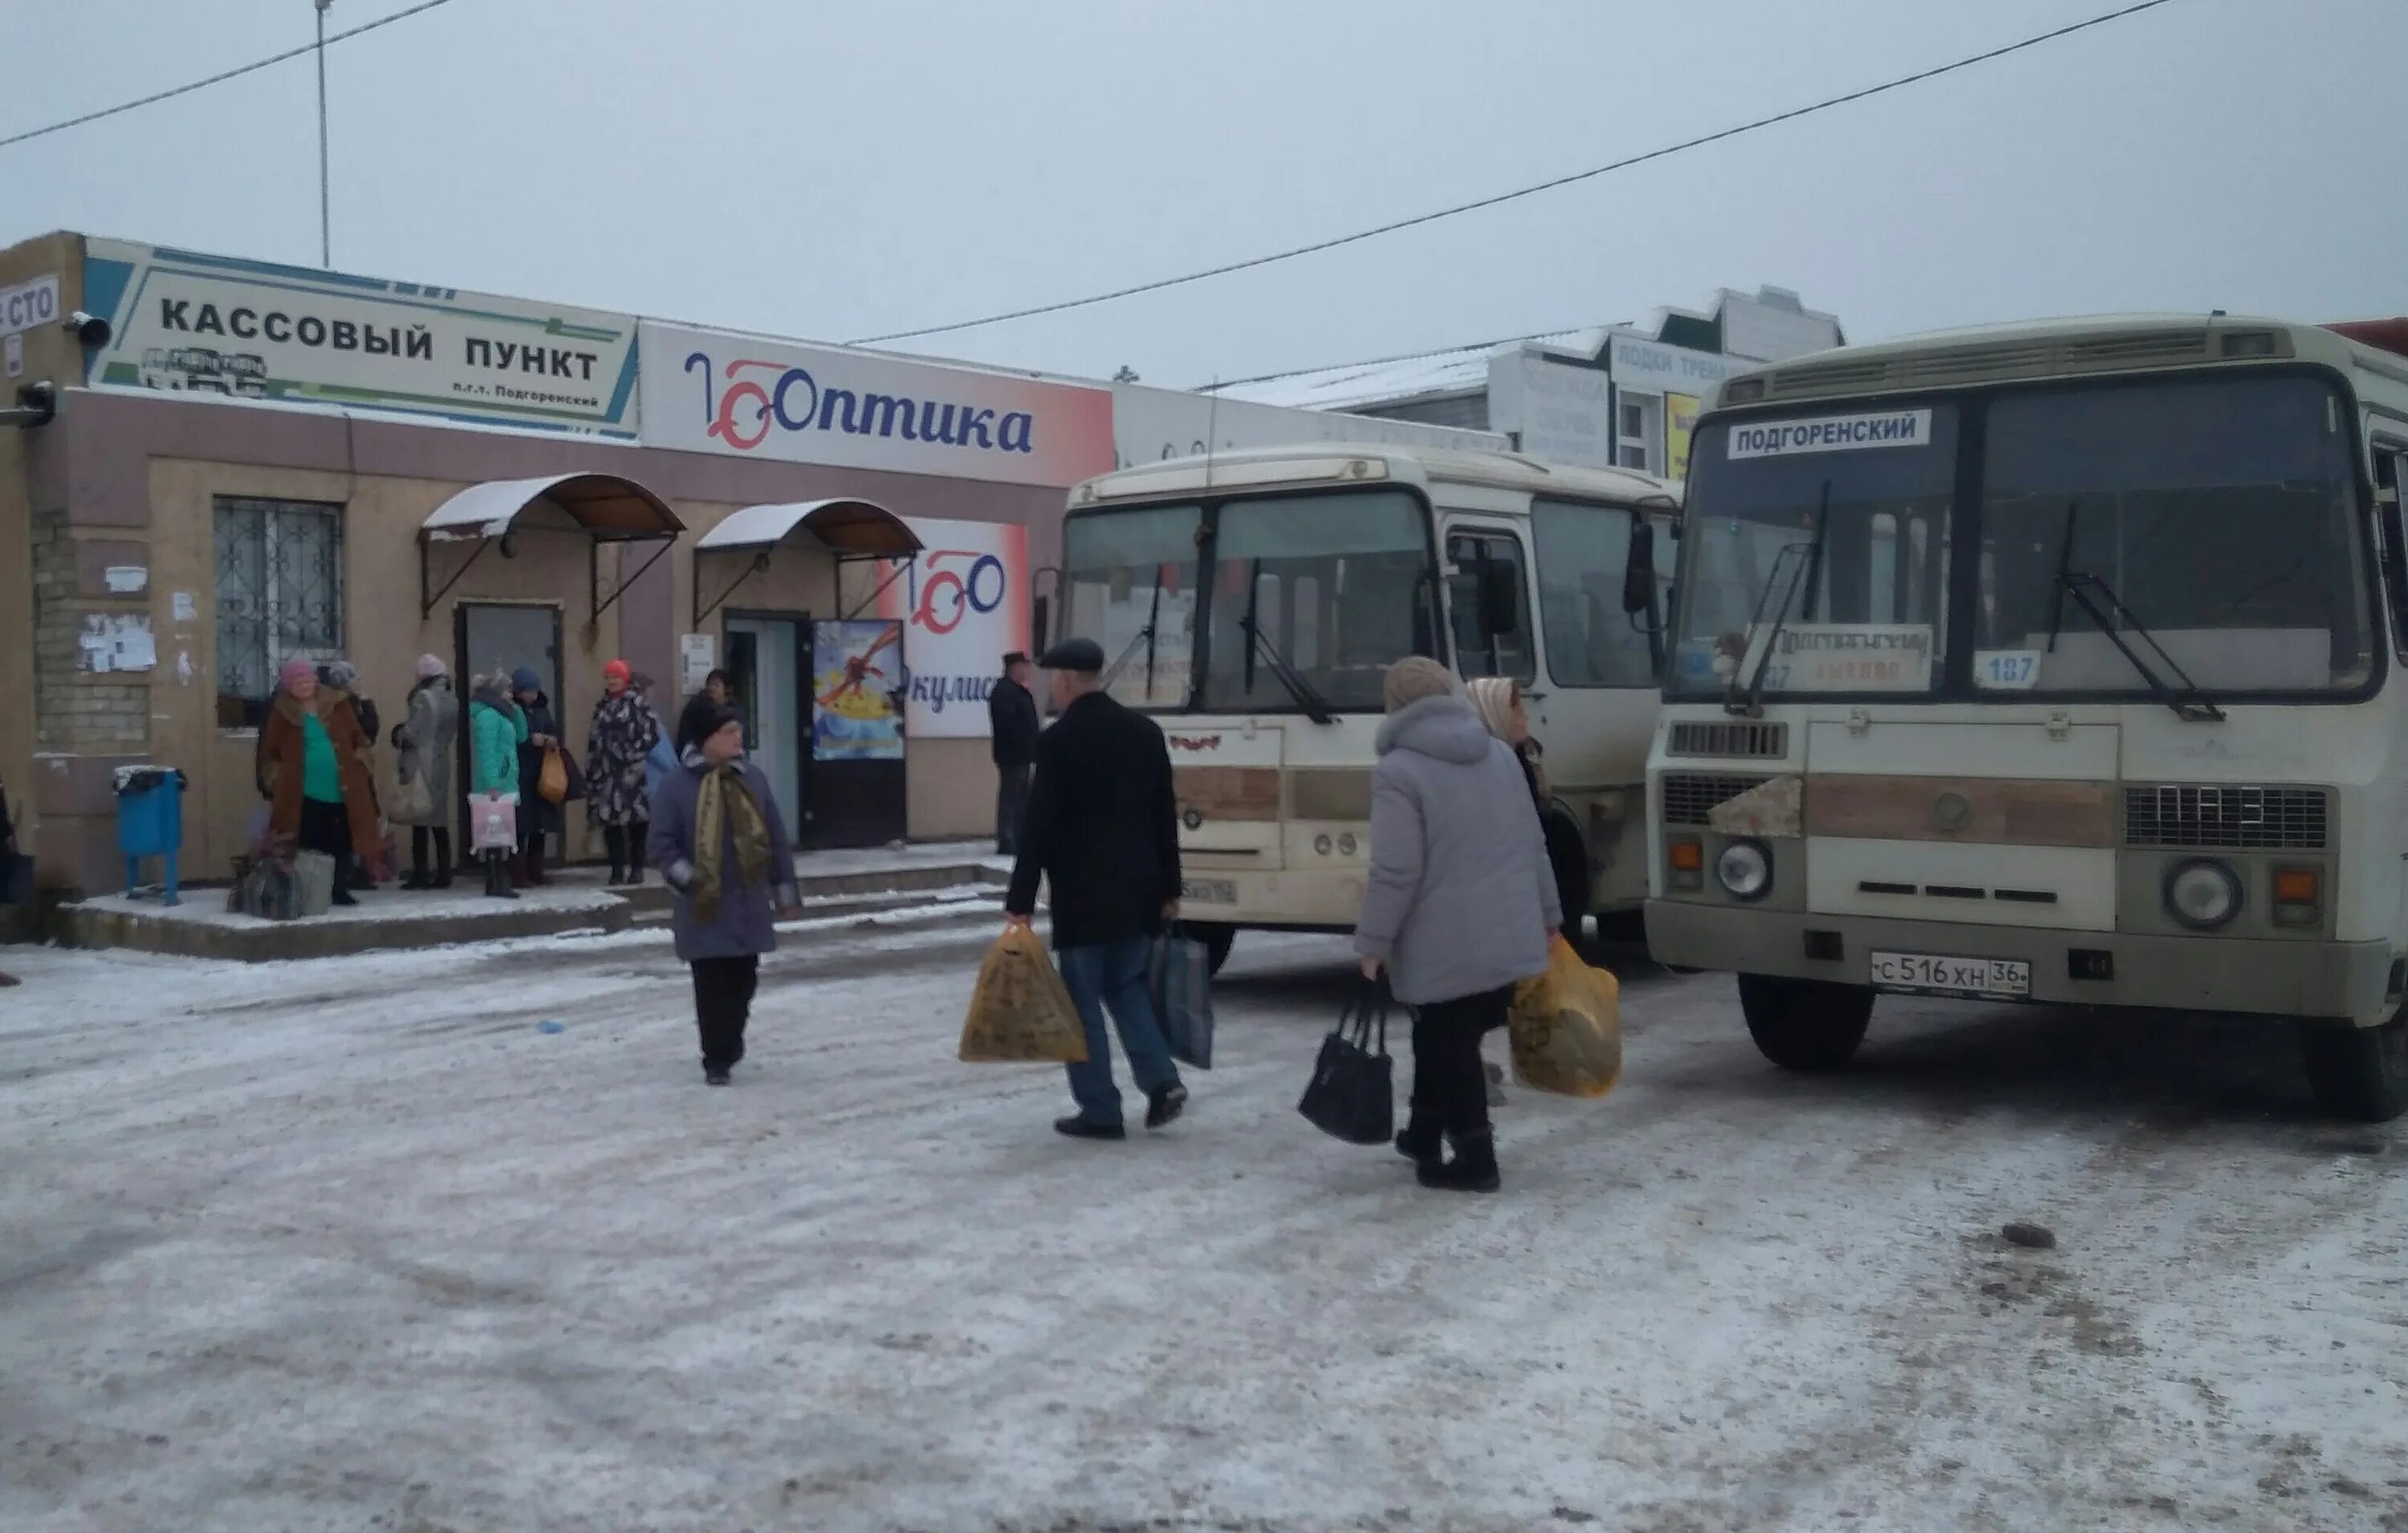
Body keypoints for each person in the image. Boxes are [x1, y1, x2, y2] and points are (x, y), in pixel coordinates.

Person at [1355, 657, 1560, 1194]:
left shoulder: (1398, 771)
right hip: (1506, 933)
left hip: (1441, 940)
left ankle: (1476, 1156)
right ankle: (1423, 1134)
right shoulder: (1497, 753)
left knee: (1449, 1042)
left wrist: (1373, 942)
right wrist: (1550, 914)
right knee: (1442, 1035)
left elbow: (1397, 870)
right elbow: (1533, 842)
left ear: (1394, 705)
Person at [1003, 636, 1188, 1141]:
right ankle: (1162, 1082)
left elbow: (1038, 826)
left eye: (1052, 681)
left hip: (1083, 897)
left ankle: (1101, 1109)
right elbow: (1162, 817)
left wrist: (1019, 901)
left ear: (1064, 682)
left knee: (1080, 1003)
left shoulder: (1060, 741)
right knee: (1127, 988)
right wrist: (1171, 887)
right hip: (1140, 892)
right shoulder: (1144, 732)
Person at [649, 699, 799, 1085]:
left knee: (744, 980)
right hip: (704, 906)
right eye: (728, 732)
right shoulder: (676, 786)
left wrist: (785, 891)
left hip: (748, 904)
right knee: (712, 984)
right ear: (706, 740)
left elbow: (776, 837)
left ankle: (730, 1042)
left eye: (738, 730)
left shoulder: (752, 779)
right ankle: (716, 1057)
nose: (738, 738)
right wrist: (690, 878)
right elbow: (661, 844)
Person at [1466, 677, 1590, 946]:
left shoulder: (1524, 752)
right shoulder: (1482, 762)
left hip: (1549, 872)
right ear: (1493, 713)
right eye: (1516, 709)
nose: (1525, 715)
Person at [259, 657, 380, 908]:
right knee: (310, 841)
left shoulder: (337, 703)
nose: (304, 686)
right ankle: (313, 890)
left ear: (315, 680)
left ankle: (339, 888)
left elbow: (359, 736)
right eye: (297, 682)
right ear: (288, 686)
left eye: (307, 680)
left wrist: (362, 760)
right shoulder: (282, 712)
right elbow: (269, 752)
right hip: (301, 791)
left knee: (343, 839)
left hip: (342, 786)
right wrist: (276, 778)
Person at [585, 659, 662, 886]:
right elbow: (594, 738)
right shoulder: (602, 706)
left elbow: (652, 734)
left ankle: (637, 868)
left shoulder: (638, 704)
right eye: (608, 677)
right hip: (606, 774)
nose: (611, 682)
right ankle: (616, 869)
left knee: (636, 821)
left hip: (632, 774)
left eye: (615, 677)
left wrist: (633, 753)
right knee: (611, 822)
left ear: (625, 679)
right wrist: (592, 768)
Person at [392, 655, 460, 890]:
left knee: (419, 815)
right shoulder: (452, 698)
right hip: (442, 760)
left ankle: (420, 873)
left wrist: (399, 734)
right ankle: (444, 872)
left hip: (422, 761)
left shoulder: (423, 697)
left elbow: (413, 733)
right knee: (439, 819)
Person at [467, 674, 527, 901]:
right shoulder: (488, 716)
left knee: (502, 835)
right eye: (507, 691)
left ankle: (498, 881)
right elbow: (486, 752)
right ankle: (496, 881)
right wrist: (492, 783)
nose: (511, 695)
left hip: (507, 781)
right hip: (495, 784)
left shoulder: (503, 714)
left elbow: (521, 736)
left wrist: (516, 710)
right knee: (494, 836)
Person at [510, 667, 560, 887]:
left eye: (534, 691)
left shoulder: (542, 709)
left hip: (542, 772)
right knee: (520, 825)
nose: (532, 695)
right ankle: (518, 872)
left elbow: (553, 730)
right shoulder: (512, 711)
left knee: (539, 825)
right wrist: (530, 740)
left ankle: (536, 869)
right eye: (527, 691)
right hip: (520, 771)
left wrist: (550, 739)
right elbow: (512, 738)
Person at [987, 651, 1040, 856]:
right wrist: (1025, 742)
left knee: (1021, 798)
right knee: (1011, 797)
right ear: (1014, 669)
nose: (1026, 671)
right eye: (1023, 667)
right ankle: (1007, 840)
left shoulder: (1018, 691)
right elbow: (1008, 726)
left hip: (1024, 754)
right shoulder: (1004, 692)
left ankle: (1019, 837)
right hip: (1012, 755)